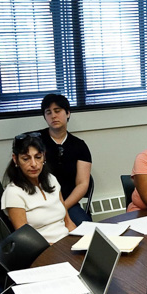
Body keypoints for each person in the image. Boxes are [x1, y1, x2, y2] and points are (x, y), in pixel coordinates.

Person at [2, 133, 76, 245]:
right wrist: (59, 249)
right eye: (26, 159)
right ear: (15, 159)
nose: (33, 164)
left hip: (66, 243)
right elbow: (25, 239)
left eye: (38, 157)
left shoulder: (51, 179)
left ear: (44, 157)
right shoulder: (13, 192)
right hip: (43, 251)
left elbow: (68, 222)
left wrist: (81, 241)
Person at [37, 93, 93, 224]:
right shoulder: (35, 141)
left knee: (88, 231)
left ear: (67, 113)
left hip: (69, 203)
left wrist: (63, 208)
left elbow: (82, 184)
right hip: (38, 203)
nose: (53, 116)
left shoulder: (79, 146)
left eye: (57, 111)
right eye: (48, 112)